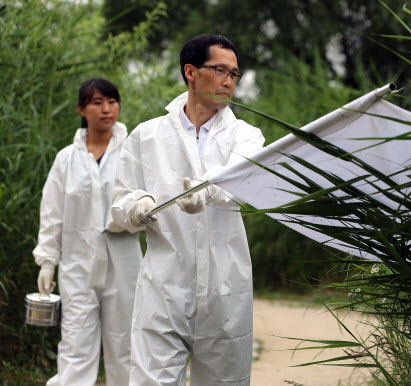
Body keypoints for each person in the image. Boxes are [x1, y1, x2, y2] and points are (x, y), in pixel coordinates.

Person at [111, 34, 265, 385]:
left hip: (225, 290)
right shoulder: (146, 136)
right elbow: (120, 198)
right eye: (220, 70)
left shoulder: (245, 135)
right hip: (164, 288)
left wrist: (206, 190)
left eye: (235, 74)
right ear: (191, 71)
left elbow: (242, 176)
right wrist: (135, 206)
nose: (229, 81)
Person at [33, 78, 143, 386]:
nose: (106, 109)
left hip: (123, 261)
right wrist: (47, 259)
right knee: (76, 341)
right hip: (78, 264)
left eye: (112, 101)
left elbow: (145, 202)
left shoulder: (132, 154)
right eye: (97, 103)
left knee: (125, 344)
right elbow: (52, 212)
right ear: (82, 109)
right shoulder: (66, 159)